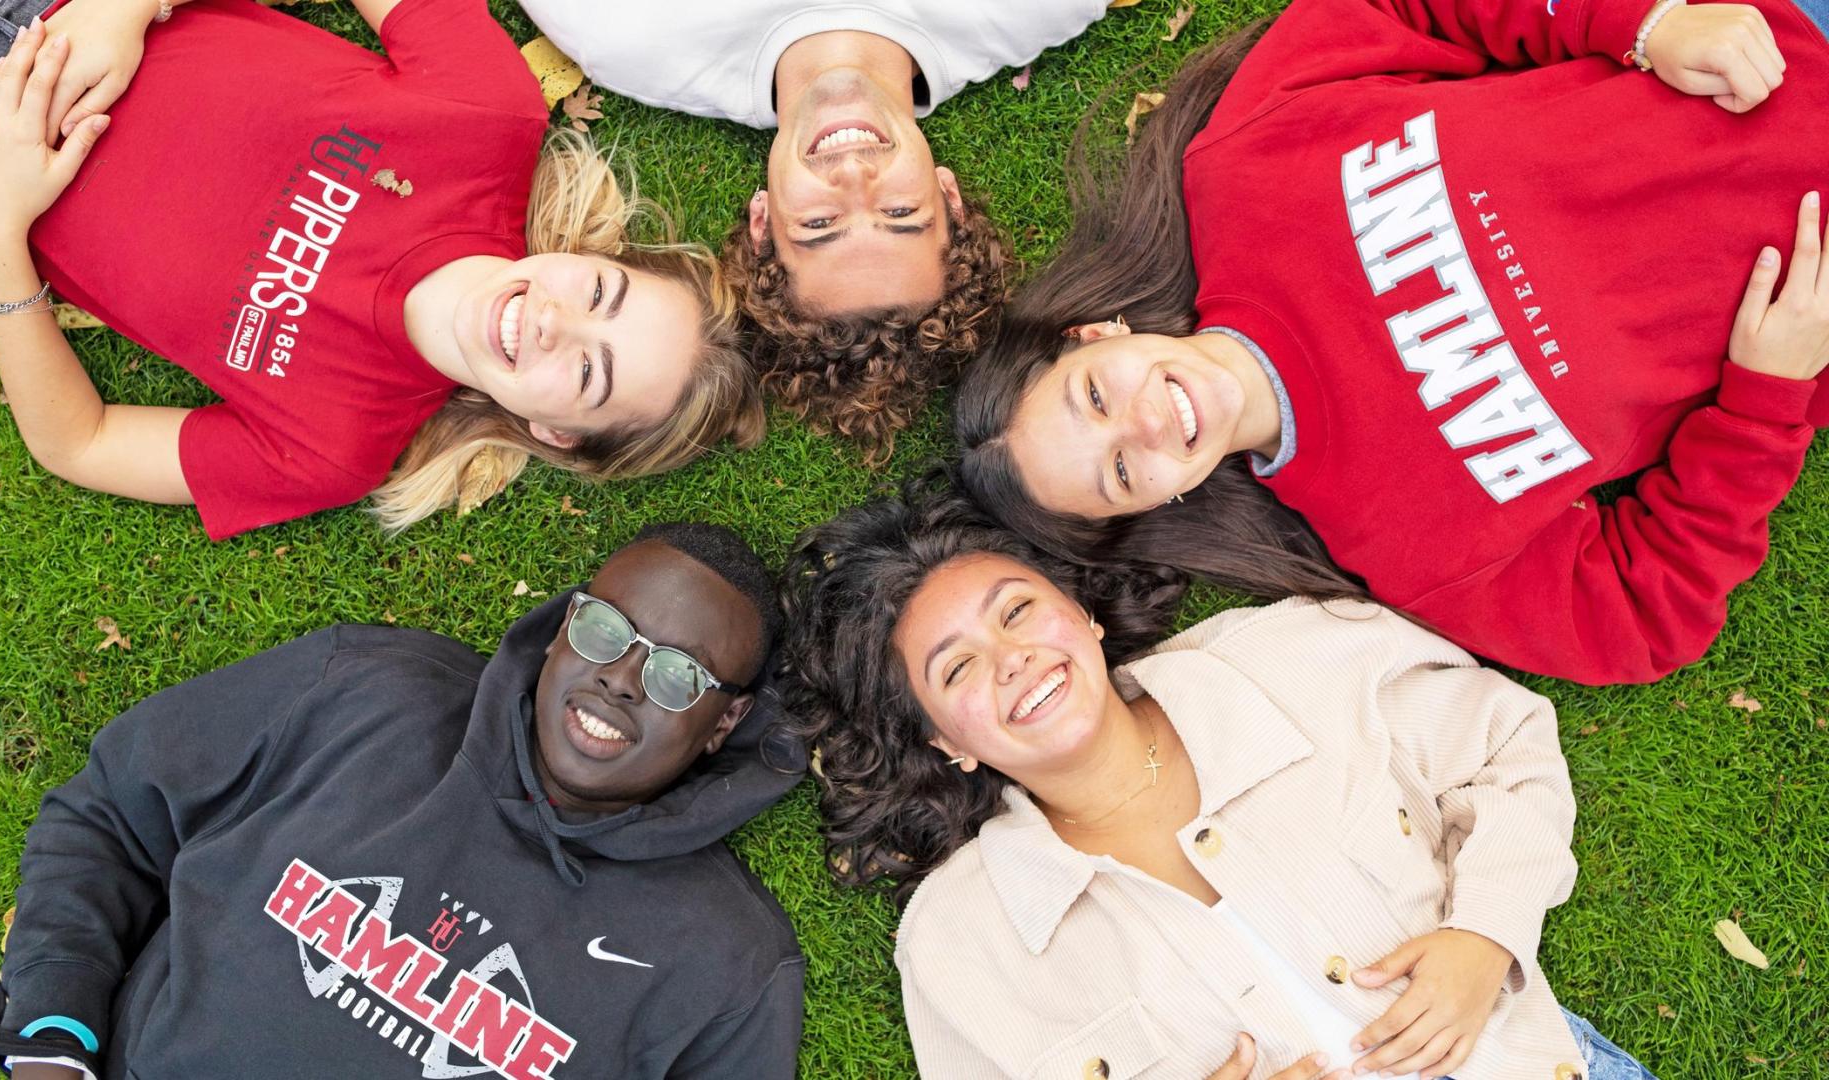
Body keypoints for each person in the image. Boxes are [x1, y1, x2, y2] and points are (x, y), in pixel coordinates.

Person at [954, 0, 1829, 684]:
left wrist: (1645, 24)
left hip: (1784, 47)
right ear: (1154, 505)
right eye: (1119, 473)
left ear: (1098, 334)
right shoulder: (1403, 546)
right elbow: (1642, 615)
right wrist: (1766, 400)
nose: (1141, 424)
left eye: (1095, 395)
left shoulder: (1240, 170)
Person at [777, 488, 1658, 1080]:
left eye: (1017, 611)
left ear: (1081, 615)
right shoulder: (962, 945)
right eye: (958, 668)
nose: (1014, 661)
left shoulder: (1295, 658)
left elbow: (1507, 745)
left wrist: (1485, 935)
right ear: (943, 740)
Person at [0, 523, 807, 1080]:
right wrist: (53, 1038)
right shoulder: (364, 692)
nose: (621, 678)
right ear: (562, 629)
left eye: (674, 674)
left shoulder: (725, 963)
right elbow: (109, 814)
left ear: (724, 720)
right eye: (604, 632)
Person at [0, 0, 763, 539]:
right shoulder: (489, 117)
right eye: (600, 294)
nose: (555, 321)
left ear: (556, 434)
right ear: (587, 258)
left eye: (588, 371)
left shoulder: (334, 449)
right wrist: (127, 9)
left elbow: (80, 443)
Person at [518, 1, 1109, 453]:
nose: (853, 174)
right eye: (900, 214)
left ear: (762, 222)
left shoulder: (626, 33)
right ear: (949, 198)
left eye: (821, 223)